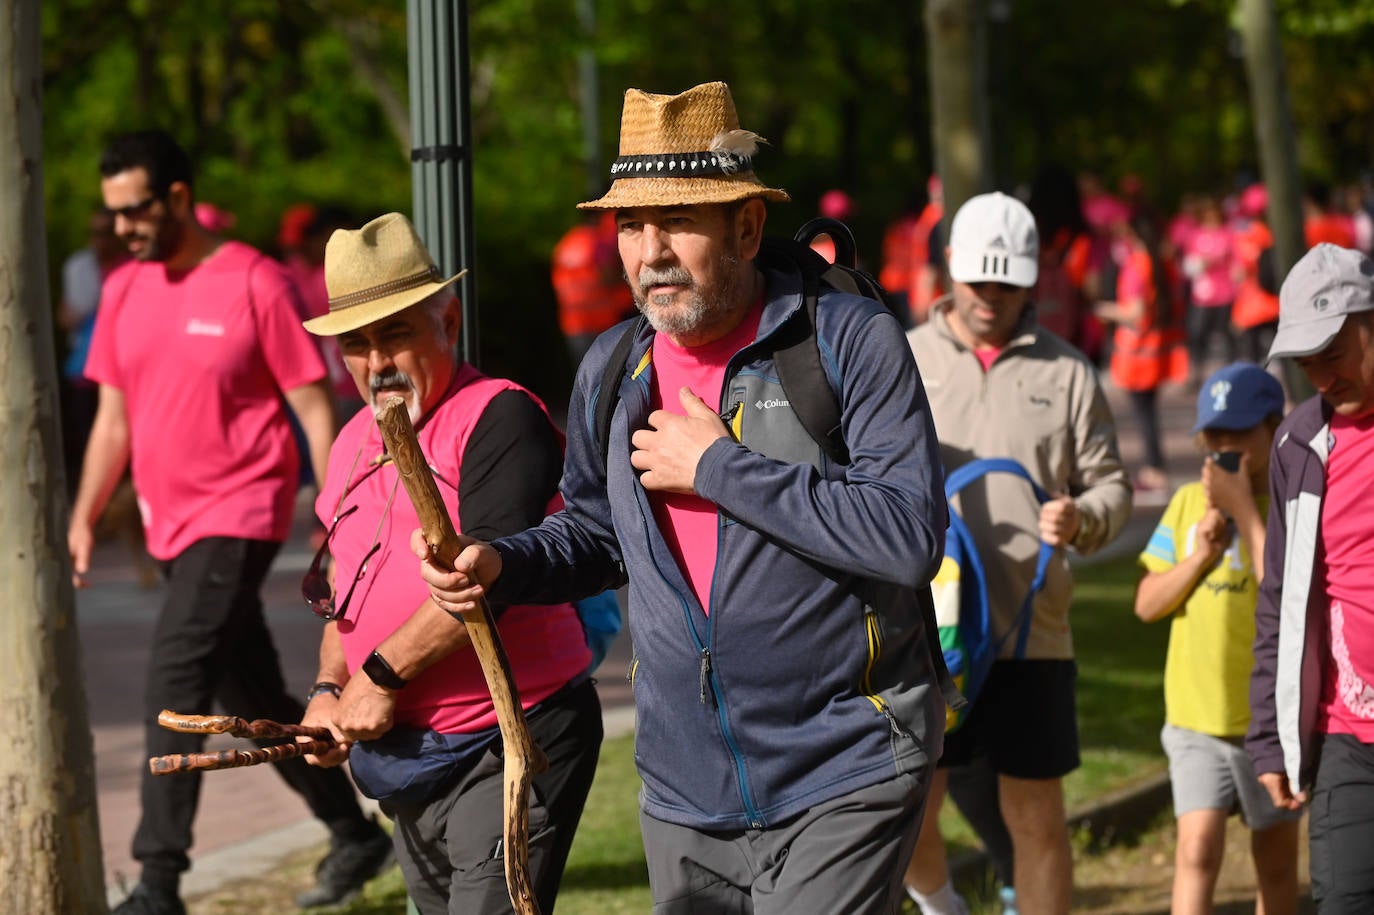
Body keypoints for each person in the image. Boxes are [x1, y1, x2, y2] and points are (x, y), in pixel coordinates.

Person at [417, 80, 950, 914]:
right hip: (683, 793)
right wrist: (501, 562)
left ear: (746, 224)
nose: (650, 250)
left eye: (678, 221)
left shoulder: (847, 340)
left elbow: (908, 531)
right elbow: (597, 532)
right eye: (630, 224)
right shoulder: (613, 369)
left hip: (843, 763)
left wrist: (719, 468)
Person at [67, 130, 390, 915]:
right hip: (167, 521)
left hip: (241, 511)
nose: (121, 229)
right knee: (249, 687)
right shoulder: (123, 289)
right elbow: (113, 415)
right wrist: (81, 515)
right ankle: (352, 833)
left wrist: (333, 507)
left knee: (175, 673)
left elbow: (311, 403)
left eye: (134, 211)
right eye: (111, 215)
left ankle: (157, 880)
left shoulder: (254, 280)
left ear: (178, 196)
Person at [297, 212, 603, 914]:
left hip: (509, 737)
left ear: (449, 320)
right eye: (356, 343)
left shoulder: (499, 416)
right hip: (411, 757)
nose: (376, 363)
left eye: (395, 333)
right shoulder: (349, 443)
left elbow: (481, 575)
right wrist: (326, 686)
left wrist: (380, 675)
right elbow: (346, 594)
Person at [905, 191, 1133, 915]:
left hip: (1034, 634)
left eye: (1007, 284)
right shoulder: (900, 357)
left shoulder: (1066, 372)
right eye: (979, 281)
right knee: (906, 811)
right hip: (929, 636)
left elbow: (1111, 486)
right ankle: (948, 908)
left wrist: (1084, 516)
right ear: (949, 270)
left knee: (1036, 817)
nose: (991, 298)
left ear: (1031, 281)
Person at [1135, 362, 1299, 915]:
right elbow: (1146, 604)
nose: (1225, 449)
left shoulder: (1289, 511)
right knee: (1196, 849)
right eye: (1215, 437)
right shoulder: (1185, 506)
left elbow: (1286, 592)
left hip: (1268, 723)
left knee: (1275, 863)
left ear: (1276, 428)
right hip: (1195, 719)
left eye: (1241, 434)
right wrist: (1201, 555)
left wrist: (1243, 510)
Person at [1248, 242, 1374, 914]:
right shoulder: (1299, 445)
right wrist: (1270, 733)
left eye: (1334, 351)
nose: (1322, 376)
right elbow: (1281, 598)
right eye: (1306, 361)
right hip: (1348, 737)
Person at [1095, 212, 1188, 498]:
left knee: (1143, 414)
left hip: (1137, 353)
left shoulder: (1137, 266)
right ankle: (1155, 466)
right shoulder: (1163, 263)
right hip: (1159, 348)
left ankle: (1153, 469)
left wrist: (1105, 310)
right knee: (1149, 412)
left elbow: (1134, 312)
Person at [551, 209, 635, 366]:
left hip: (573, 322)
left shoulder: (567, 241)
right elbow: (608, 277)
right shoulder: (597, 241)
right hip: (604, 321)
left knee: (585, 375)